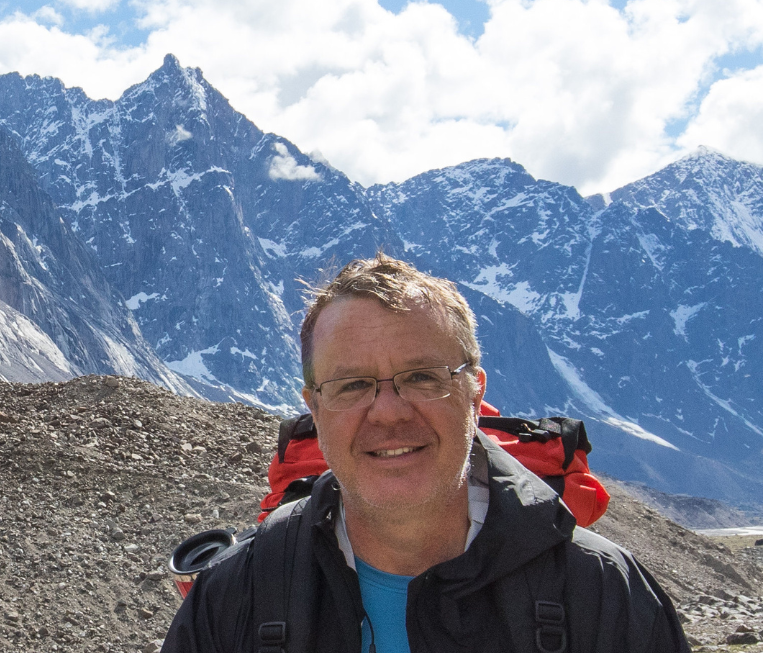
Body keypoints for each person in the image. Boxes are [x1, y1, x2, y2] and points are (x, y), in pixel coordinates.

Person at [162, 254, 688, 653]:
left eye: (421, 377)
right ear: (314, 409)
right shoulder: (235, 596)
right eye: (350, 385)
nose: (388, 413)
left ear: (475, 393)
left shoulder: (600, 591)